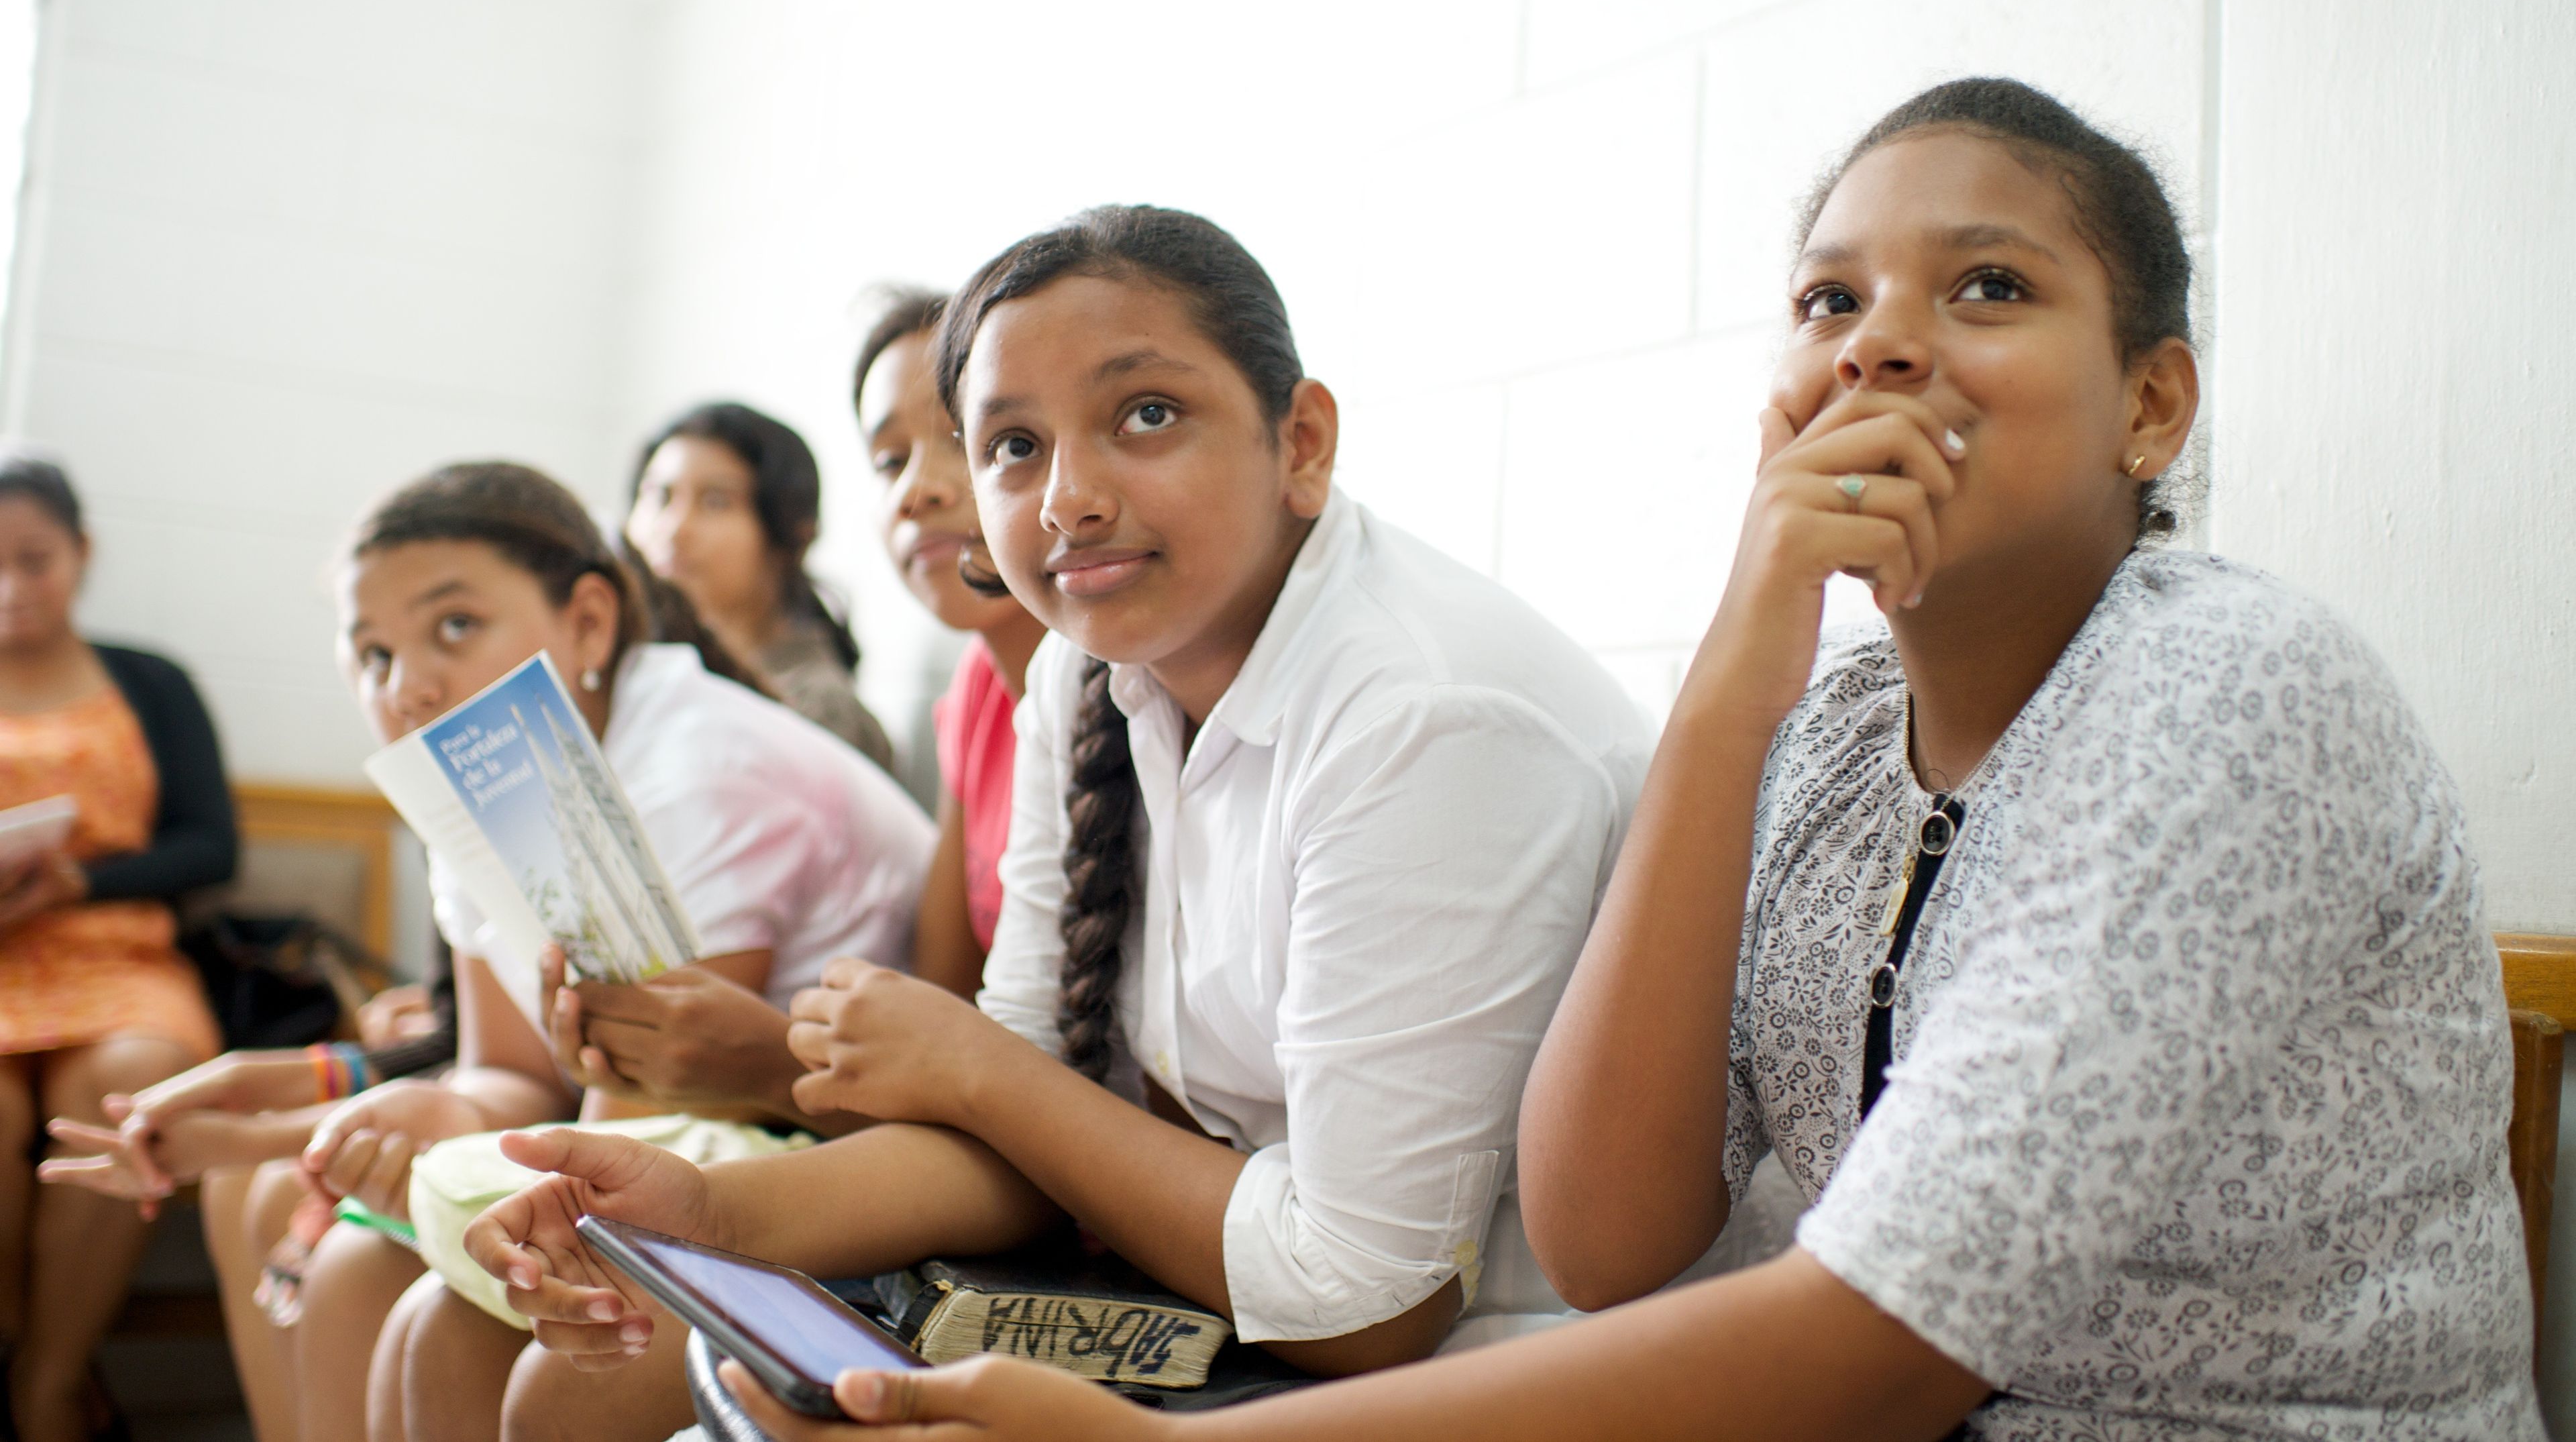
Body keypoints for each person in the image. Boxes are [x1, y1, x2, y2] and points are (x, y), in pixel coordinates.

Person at [680, 79, 2542, 1442]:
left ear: (2153, 402)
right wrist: (1733, 688)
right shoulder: (1827, 735)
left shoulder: (2224, 692)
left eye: (1984, 287)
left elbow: (1880, 1343)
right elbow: (1616, 1222)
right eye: (1830, 301)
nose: (1886, 338)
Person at [461, 203, 1656, 1440]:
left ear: (1300, 441)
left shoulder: (1422, 716)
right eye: (1015, 446)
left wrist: (981, 1071)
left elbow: (1370, 1298)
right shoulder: (1083, 676)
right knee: (588, 1381)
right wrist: (702, 1212)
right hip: (1250, 1317)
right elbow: (1013, 1138)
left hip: (1488, 1369)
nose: (1070, 498)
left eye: (1146, 415)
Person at [42, 461, 934, 1442]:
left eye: (455, 628)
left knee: (374, 1281)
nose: (409, 686)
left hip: (834, 1162)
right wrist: (373, 1116)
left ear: (589, 623)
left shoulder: (698, 769)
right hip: (670, 1140)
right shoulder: (494, 777)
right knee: (326, 1244)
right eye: (372, 654)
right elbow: (510, 1078)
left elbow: (636, 1122)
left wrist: (280, 1133)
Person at [0, 450, 236, 1442]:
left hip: (122, 964)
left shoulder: (153, 682)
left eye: (35, 560)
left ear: (82, 555)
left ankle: (48, 1390)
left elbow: (210, 843)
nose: (12, 588)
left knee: (129, 1090)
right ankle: (21, 1354)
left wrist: (81, 879)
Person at [852, 288, 1047, 997]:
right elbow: (944, 994)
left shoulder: (1143, 689)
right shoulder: (979, 685)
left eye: (967, 438)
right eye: (888, 459)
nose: (916, 491)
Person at [627, 402, 896, 770]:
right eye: (660, 496)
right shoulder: (642, 678)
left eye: (715, 502)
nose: (674, 528)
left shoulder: (823, 715)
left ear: (790, 536)